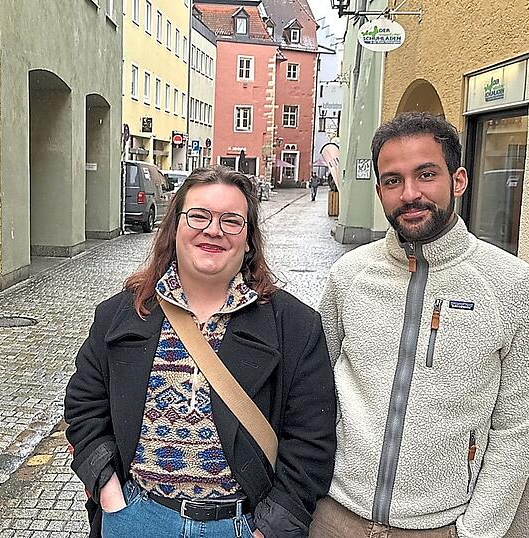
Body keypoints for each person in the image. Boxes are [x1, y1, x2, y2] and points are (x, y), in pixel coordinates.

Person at [65, 166, 337, 538]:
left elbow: (310, 441)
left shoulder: (295, 326)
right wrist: (111, 495)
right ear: (175, 226)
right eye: (199, 216)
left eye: (231, 221)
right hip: (137, 517)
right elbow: (83, 405)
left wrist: (269, 531)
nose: (213, 230)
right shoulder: (121, 314)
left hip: (241, 526)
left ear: (249, 239)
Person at [313, 112, 529, 537]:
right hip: (333, 516)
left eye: (426, 175)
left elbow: (518, 426)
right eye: (392, 180)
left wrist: (473, 532)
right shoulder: (348, 276)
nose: (410, 194)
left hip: (439, 526)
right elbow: (312, 392)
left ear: (457, 181)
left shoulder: (515, 287)